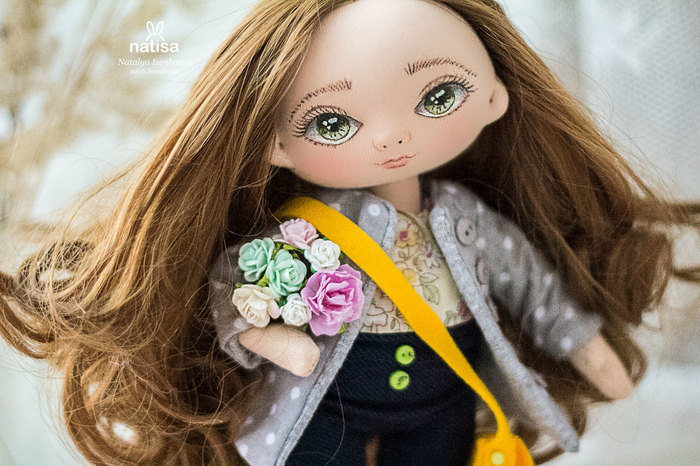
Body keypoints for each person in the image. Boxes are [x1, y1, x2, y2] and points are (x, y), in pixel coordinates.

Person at [0, 0, 689, 464]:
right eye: (331, 123)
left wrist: (581, 343)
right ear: (276, 144)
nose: (391, 137)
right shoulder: (309, 229)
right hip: (322, 401)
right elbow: (236, 282)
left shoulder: (469, 219)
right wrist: (268, 338)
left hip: (443, 398)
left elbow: (530, 284)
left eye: (438, 96)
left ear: (494, 97)